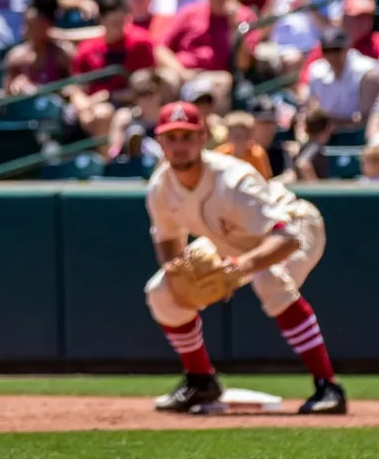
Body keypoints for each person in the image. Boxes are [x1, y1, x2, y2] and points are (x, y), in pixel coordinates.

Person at [144, 101, 346, 415]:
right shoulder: (160, 186)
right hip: (231, 241)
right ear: (160, 142)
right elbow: (169, 242)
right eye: (172, 137)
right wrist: (176, 272)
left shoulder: (234, 179)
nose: (179, 145)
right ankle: (201, 381)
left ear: (203, 138)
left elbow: (286, 238)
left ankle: (328, 386)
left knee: (269, 278)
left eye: (187, 136)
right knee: (161, 292)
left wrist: (244, 267)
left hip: (297, 226)